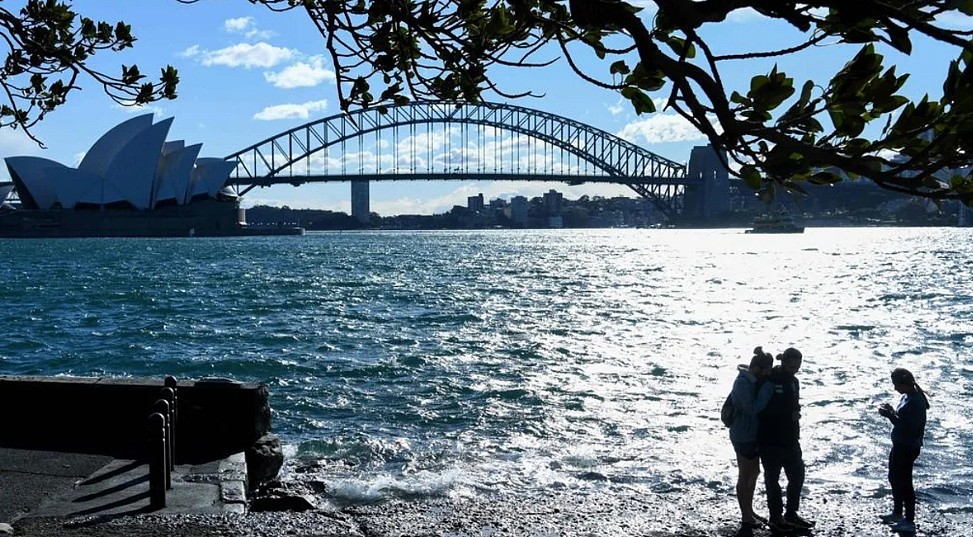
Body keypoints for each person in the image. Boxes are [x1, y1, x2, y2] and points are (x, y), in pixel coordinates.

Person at [757, 347, 815, 532]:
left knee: (797, 475)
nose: (794, 371)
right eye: (791, 367)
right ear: (783, 363)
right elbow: (760, 407)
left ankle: (791, 513)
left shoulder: (794, 382)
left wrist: (795, 414)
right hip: (770, 439)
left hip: (790, 438)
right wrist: (787, 414)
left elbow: (793, 404)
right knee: (772, 479)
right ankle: (775, 516)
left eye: (797, 367)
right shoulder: (770, 379)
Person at [878, 367, 929, 534]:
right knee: (893, 477)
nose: (894, 388)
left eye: (895, 384)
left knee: (905, 482)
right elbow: (902, 419)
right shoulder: (906, 397)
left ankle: (909, 520)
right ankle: (897, 512)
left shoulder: (917, 401)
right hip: (899, 444)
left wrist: (889, 415)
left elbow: (909, 428)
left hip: (908, 446)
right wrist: (892, 411)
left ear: (904, 383)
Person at [729, 347, 775, 532]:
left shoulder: (753, 380)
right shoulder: (742, 383)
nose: (768, 374)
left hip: (752, 434)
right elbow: (752, 408)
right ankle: (746, 516)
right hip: (742, 435)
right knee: (745, 474)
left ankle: (749, 509)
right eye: (766, 370)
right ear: (757, 367)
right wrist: (768, 388)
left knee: (754, 472)